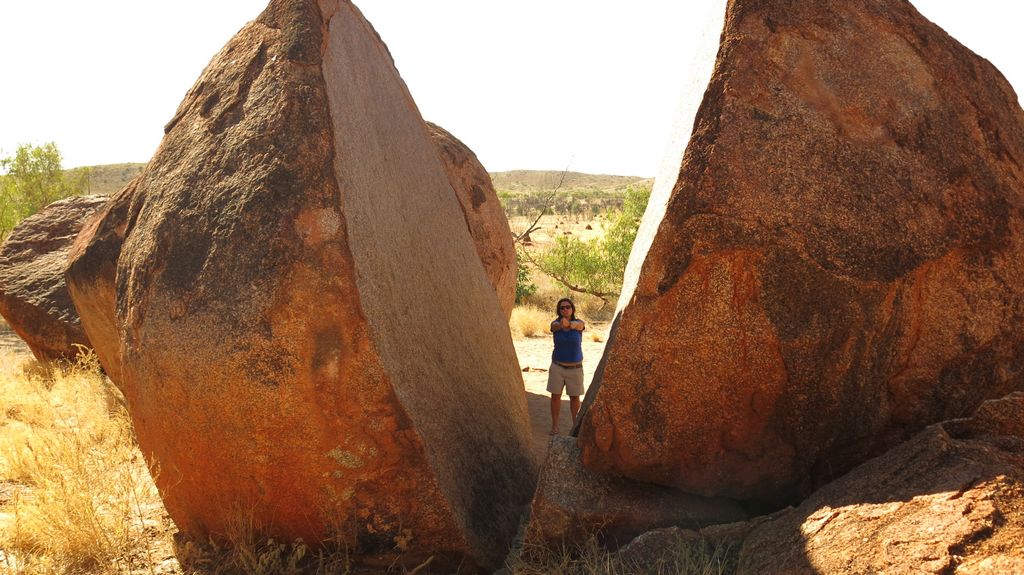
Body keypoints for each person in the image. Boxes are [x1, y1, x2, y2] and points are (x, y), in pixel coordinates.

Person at [548, 297, 585, 435]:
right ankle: (555, 426)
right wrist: (563, 324)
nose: (565, 309)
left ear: (572, 309)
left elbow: (580, 326)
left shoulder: (579, 324)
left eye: (567, 307)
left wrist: (569, 325)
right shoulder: (555, 324)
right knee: (555, 397)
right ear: (559, 310)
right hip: (557, 367)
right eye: (562, 308)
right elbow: (554, 327)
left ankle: (575, 428)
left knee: (575, 398)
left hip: (575, 369)